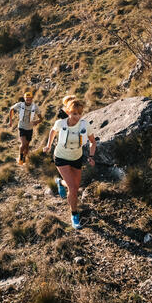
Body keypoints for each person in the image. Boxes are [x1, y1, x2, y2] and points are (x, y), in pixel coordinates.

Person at [43, 96, 96, 229]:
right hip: (61, 157)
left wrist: (90, 156)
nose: (77, 117)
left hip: (76, 158)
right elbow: (52, 131)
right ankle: (74, 215)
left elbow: (92, 142)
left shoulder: (85, 125)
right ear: (68, 112)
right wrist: (48, 145)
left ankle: (59, 182)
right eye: (74, 113)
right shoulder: (61, 123)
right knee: (73, 189)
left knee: (75, 187)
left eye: (79, 114)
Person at [8, 90, 43, 165]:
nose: (28, 101)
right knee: (23, 144)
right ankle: (20, 157)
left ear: (32, 99)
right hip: (22, 127)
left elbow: (41, 119)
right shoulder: (20, 105)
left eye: (30, 99)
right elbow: (11, 109)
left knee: (27, 145)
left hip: (30, 128)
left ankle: (24, 158)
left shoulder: (35, 107)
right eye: (27, 99)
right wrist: (10, 121)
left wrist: (36, 122)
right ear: (24, 99)